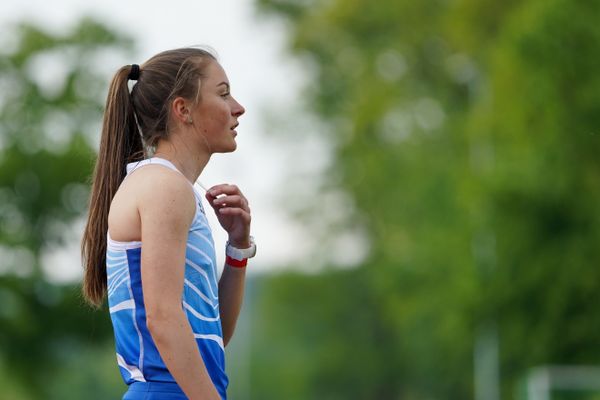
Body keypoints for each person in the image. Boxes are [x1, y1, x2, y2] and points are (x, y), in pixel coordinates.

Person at [81, 47, 256, 400]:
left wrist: (237, 250)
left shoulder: (172, 188)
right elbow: (162, 320)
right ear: (183, 110)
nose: (238, 107)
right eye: (223, 94)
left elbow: (211, 336)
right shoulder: (165, 187)